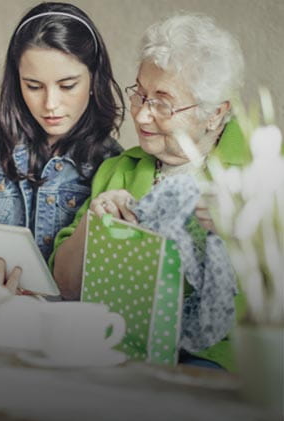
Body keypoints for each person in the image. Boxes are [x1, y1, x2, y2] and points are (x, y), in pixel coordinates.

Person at [51, 13, 248, 371]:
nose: (140, 116)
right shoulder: (120, 170)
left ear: (215, 114)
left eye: (162, 103)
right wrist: (94, 223)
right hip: (117, 345)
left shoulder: (263, 170)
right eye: (140, 95)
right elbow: (66, 286)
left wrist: (242, 230)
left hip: (219, 359)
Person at [0, 2, 124, 287]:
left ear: (93, 79)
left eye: (67, 86)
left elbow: (100, 284)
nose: (50, 105)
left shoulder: (113, 163)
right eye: (34, 86)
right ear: (17, 82)